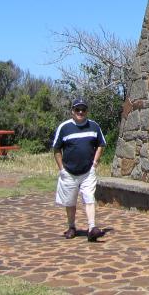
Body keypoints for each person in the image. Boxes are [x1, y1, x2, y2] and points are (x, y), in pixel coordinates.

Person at [52, 97, 107, 241]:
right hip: (69, 172)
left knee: (89, 198)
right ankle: (71, 227)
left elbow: (101, 144)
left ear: (87, 111)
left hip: (88, 171)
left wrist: (95, 163)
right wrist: (61, 169)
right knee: (70, 202)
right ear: (72, 111)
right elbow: (56, 149)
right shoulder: (64, 127)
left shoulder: (94, 126)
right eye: (77, 109)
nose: (80, 112)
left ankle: (92, 228)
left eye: (83, 109)